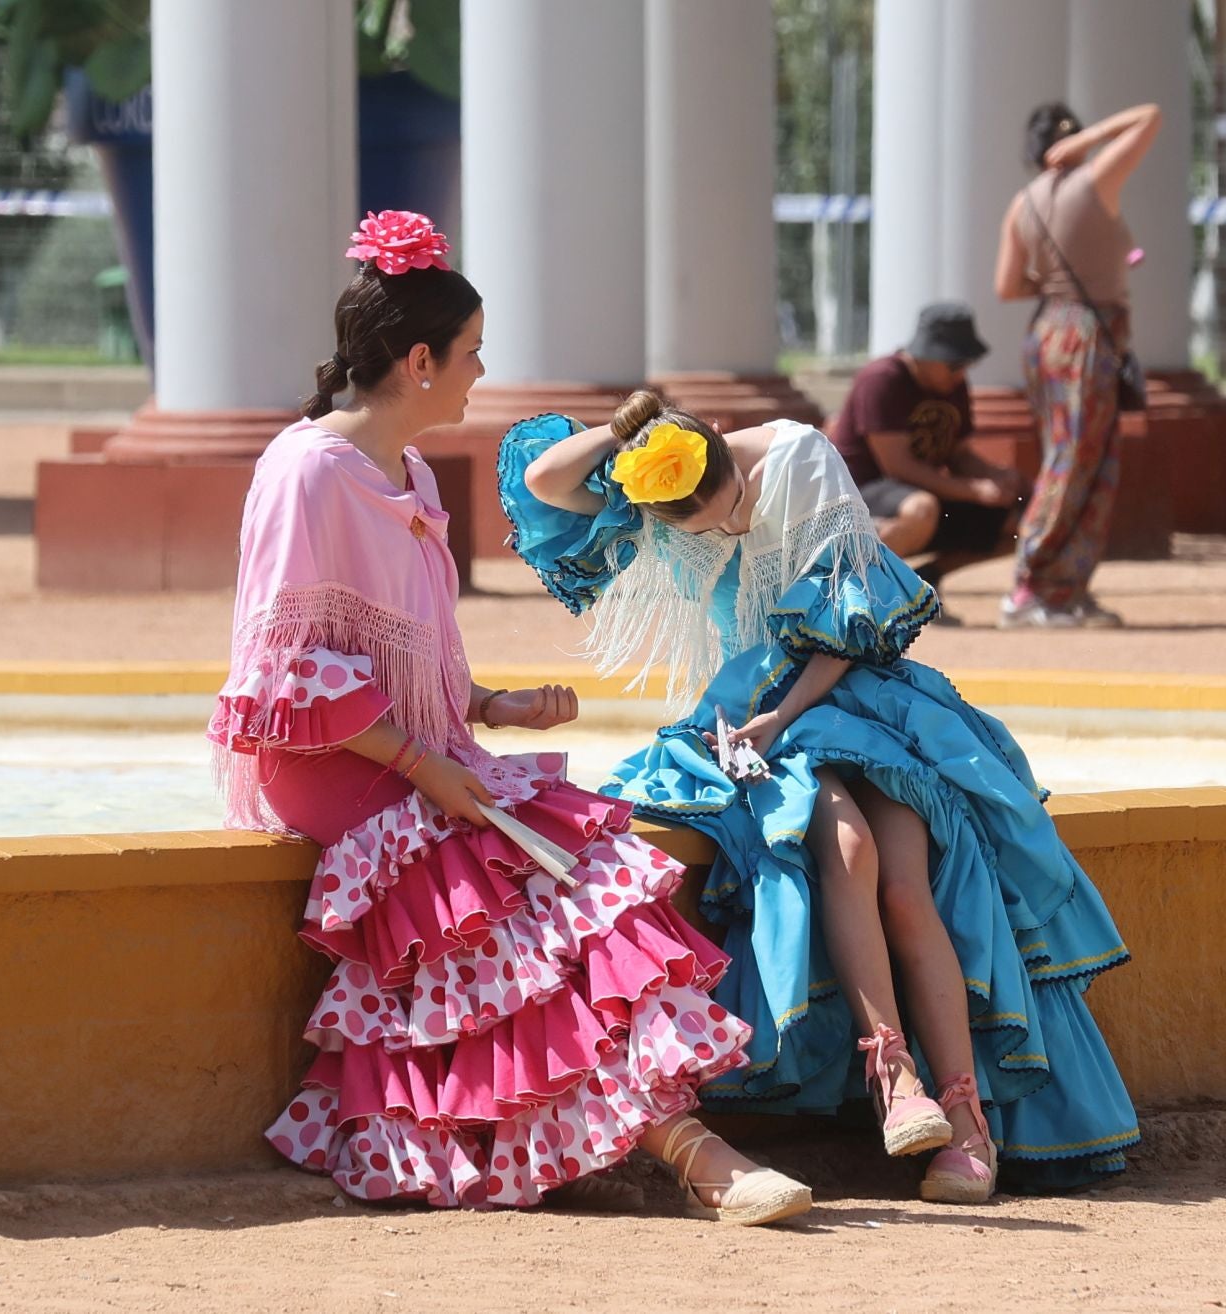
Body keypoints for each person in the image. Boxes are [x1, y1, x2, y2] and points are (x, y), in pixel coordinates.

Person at [210, 211, 812, 1227]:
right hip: (341, 766)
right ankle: (695, 1155)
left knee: (585, 873)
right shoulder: (307, 471)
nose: (481, 373)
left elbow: (389, 658)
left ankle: (661, 1135)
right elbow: (283, 672)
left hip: (412, 755)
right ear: (418, 360)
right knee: (513, 886)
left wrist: (491, 707)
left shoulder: (405, 474)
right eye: (472, 353)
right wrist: (426, 764)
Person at [500, 393, 1138, 1202]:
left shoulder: (803, 459)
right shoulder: (664, 477)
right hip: (747, 718)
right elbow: (549, 480)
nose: (722, 533)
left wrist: (782, 719)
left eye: (728, 512)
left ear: (736, 469)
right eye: (696, 528)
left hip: (849, 691)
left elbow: (848, 623)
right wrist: (632, 423)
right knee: (848, 848)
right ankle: (892, 1076)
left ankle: (966, 1122)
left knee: (910, 885)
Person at [993, 100, 1162, 629]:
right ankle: (1033, 584)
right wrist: (1092, 142)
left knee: (1073, 457)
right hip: (1090, 334)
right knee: (1078, 460)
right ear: (1070, 143)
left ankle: (1063, 586)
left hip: (1047, 330)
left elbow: (1007, 286)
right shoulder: (1095, 180)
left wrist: (1055, 285)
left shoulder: (1023, 203)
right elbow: (1151, 117)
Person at [829, 303, 1027, 603]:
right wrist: (974, 490)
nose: (961, 372)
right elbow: (897, 467)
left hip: (923, 494)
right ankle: (848, 584)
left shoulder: (953, 385)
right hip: (860, 494)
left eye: (965, 364)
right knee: (922, 508)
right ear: (926, 354)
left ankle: (923, 581)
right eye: (954, 364)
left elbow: (958, 456)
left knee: (1022, 522)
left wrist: (996, 476)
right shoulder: (881, 379)